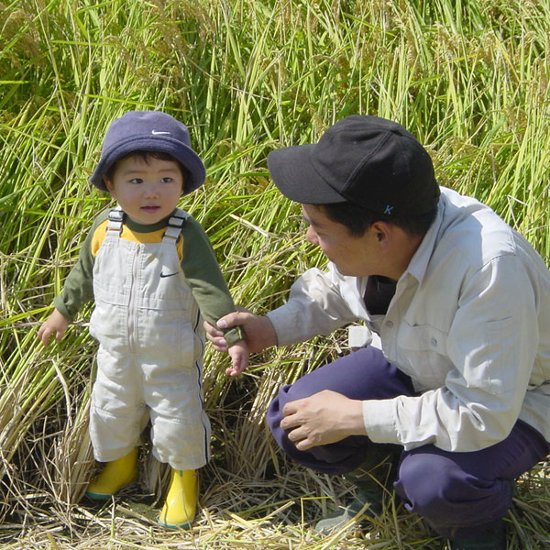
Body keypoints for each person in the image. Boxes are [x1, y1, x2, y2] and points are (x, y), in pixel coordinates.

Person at [205, 115, 550, 549]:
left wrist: (355, 418)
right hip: (414, 363)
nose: (311, 237)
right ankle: (381, 496)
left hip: (516, 401)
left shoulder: (488, 269)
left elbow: (483, 412)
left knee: (434, 479)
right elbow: (333, 287)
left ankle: (473, 530)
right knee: (295, 416)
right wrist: (269, 328)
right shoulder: (391, 210)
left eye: (320, 229)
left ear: (379, 234)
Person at [38, 110, 248, 529]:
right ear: (110, 185)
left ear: (183, 184)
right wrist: (63, 311)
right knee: (111, 410)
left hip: (169, 355)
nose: (151, 192)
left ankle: (184, 480)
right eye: (136, 180)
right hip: (115, 351)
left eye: (166, 180)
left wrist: (233, 332)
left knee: (178, 418)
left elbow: (210, 288)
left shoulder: (184, 234)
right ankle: (121, 466)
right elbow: (83, 275)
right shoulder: (105, 229)